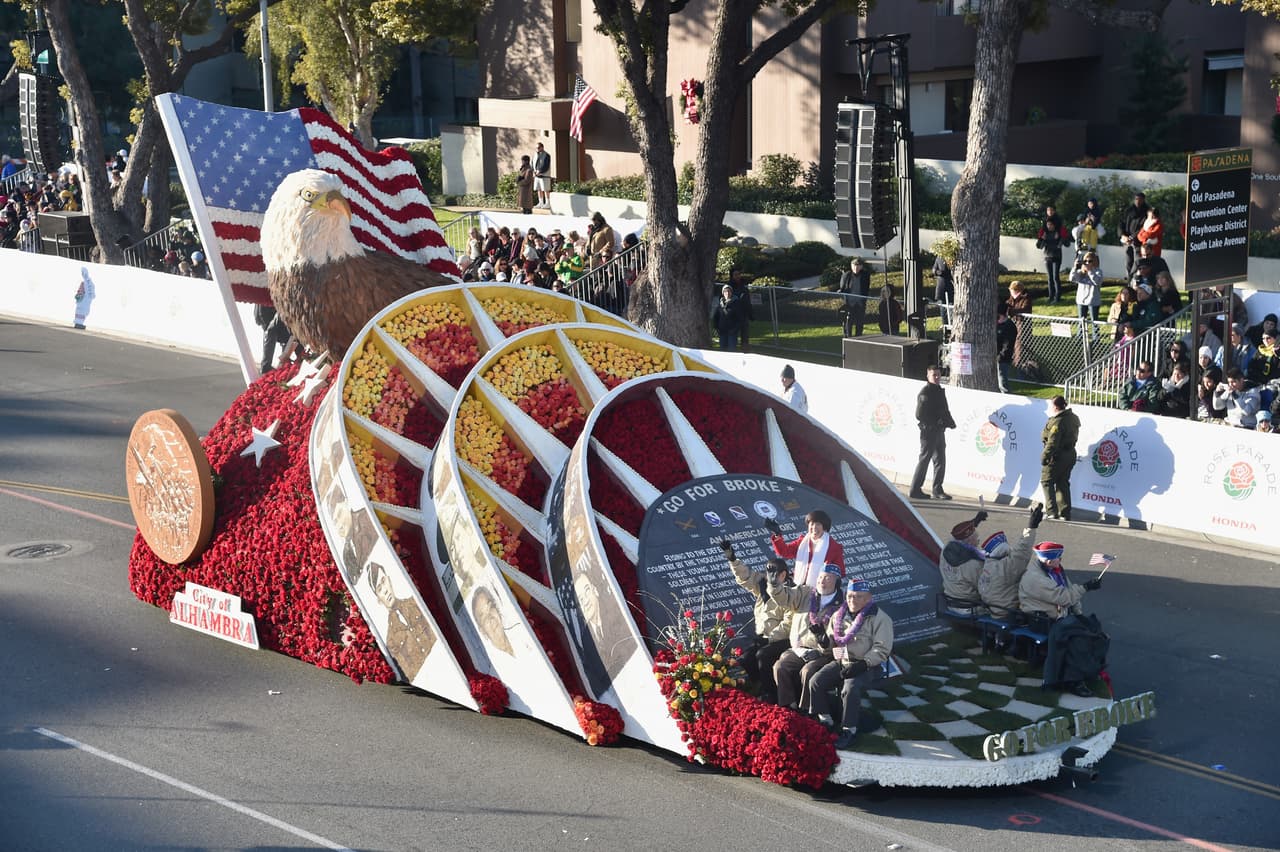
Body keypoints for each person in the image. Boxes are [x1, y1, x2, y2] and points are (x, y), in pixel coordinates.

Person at [805, 578, 894, 748]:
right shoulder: (839, 615)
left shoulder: (880, 618)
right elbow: (832, 644)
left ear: (868, 598)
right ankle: (826, 721)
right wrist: (822, 640)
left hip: (867, 665)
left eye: (858, 597)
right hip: (843, 660)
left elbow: (882, 650)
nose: (853, 600)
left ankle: (848, 729)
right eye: (850, 596)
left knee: (850, 688)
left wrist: (863, 664)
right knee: (816, 681)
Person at [1018, 542, 1102, 696]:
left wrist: (1078, 613)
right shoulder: (1035, 578)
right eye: (1059, 558)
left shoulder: (1054, 571)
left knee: (1092, 627)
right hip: (1041, 621)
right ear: (1049, 561)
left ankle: (1087, 671)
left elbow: (1069, 592)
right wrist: (1086, 587)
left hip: (1058, 617)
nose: (1061, 560)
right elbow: (1064, 597)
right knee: (1078, 638)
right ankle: (1074, 681)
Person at [720, 542, 793, 702]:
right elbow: (745, 576)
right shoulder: (763, 586)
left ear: (783, 575)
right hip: (763, 638)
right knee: (745, 660)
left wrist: (770, 637)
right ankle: (756, 688)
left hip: (782, 640)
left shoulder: (791, 593)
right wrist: (733, 559)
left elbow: (788, 624)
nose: (770, 576)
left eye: (775, 573)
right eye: (768, 572)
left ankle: (772, 695)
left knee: (763, 656)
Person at [769, 563, 843, 716]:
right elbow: (784, 598)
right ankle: (788, 705)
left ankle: (808, 710)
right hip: (799, 648)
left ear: (836, 582)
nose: (822, 581)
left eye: (828, 578)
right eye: (820, 577)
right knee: (780, 667)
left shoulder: (842, 606)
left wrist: (823, 644)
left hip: (824, 653)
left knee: (808, 671)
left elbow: (838, 642)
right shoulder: (805, 593)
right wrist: (774, 585)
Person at [977, 504, 1045, 621]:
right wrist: (1031, 527)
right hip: (1008, 612)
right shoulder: (1006, 567)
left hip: (993, 609)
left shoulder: (987, 565)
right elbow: (1021, 551)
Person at [909, 364, 955, 500]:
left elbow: (943, 410)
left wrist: (949, 422)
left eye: (938, 375)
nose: (936, 377)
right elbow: (919, 414)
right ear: (927, 376)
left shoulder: (938, 390)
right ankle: (915, 489)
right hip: (928, 432)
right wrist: (935, 423)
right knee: (924, 460)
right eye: (933, 375)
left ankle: (937, 489)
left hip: (939, 431)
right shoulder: (925, 392)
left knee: (940, 460)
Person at [763, 509, 845, 585]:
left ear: (825, 527)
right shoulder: (802, 542)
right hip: (799, 588)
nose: (814, 527)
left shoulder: (834, 547)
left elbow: (840, 572)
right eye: (812, 524)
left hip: (819, 590)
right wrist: (777, 534)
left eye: (818, 524)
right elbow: (784, 551)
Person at [938, 512, 992, 611]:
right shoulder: (974, 564)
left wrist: (975, 522)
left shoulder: (946, 549)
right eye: (977, 539)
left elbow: (957, 535)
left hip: (951, 599)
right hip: (969, 607)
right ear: (970, 542)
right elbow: (984, 588)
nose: (979, 541)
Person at [1041, 396, 1080, 520]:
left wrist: (1045, 456)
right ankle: (1065, 512)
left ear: (1056, 406)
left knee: (1047, 481)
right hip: (1070, 454)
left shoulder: (1057, 421)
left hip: (1058, 455)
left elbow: (1053, 442)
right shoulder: (1073, 417)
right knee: (1062, 482)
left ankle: (1052, 511)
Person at [1036, 215, 1072, 303]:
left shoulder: (1058, 233)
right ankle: (1050, 296)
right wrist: (1041, 239)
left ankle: (1057, 297)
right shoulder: (1045, 234)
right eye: (1048, 224)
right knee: (1050, 277)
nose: (1049, 226)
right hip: (1047, 257)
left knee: (1056, 277)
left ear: (1054, 225)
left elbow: (1067, 244)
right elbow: (1038, 246)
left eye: (1051, 224)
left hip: (1056, 257)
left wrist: (1061, 239)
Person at [1119, 191, 1150, 279]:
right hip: (1127, 241)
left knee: (1138, 261)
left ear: (1143, 200)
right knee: (1128, 261)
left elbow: (1144, 227)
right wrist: (1122, 235)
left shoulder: (1147, 211)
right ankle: (1129, 279)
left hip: (1139, 241)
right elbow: (1121, 223)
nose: (1138, 201)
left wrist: (1132, 237)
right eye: (1136, 199)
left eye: (1140, 199)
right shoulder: (1128, 210)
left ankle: (1137, 278)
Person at [839, 257, 871, 337]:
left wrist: (864, 298)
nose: (856, 267)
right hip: (849, 303)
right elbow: (842, 287)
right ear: (851, 266)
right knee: (848, 322)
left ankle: (858, 338)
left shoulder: (865, 275)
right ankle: (847, 337)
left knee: (859, 322)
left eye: (858, 265)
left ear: (861, 266)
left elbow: (866, 288)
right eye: (854, 265)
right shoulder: (847, 275)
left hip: (860, 303)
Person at [1070, 251, 1103, 322]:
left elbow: (1097, 282)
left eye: (1090, 261)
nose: (1087, 263)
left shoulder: (1098, 271)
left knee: (1095, 322)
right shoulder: (1081, 272)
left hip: (1093, 301)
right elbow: (1072, 279)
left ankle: (1095, 334)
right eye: (1085, 261)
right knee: (1081, 322)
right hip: (1081, 300)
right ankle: (1081, 333)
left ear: (1094, 261)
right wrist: (1075, 268)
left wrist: (1090, 271)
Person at [711, 284, 744, 350]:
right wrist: (716, 327)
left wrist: (735, 330)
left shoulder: (736, 303)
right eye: (725, 291)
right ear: (723, 293)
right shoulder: (720, 304)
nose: (727, 293)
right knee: (722, 350)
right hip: (722, 331)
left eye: (729, 291)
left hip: (732, 332)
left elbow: (740, 319)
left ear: (731, 292)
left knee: (731, 351)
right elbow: (716, 317)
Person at [996, 303, 1017, 393]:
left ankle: (1007, 396)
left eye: (998, 317)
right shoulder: (997, 325)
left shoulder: (1009, 326)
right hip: (995, 356)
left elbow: (1008, 345)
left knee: (1002, 383)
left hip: (1003, 359)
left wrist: (1000, 357)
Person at [932, 253, 954, 319]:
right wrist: (939, 272)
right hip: (941, 287)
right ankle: (945, 326)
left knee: (951, 307)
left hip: (951, 286)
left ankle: (951, 325)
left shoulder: (952, 256)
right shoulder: (939, 257)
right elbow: (934, 269)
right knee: (943, 308)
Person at [533, 142, 552, 208]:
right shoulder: (535, 155)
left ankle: (548, 203)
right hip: (537, 175)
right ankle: (540, 202)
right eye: (536, 148)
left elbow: (546, 165)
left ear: (542, 147)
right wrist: (534, 171)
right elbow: (532, 163)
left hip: (544, 176)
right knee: (539, 189)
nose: (537, 149)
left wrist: (540, 171)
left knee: (546, 189)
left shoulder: (546, 155)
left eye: (538, 148)